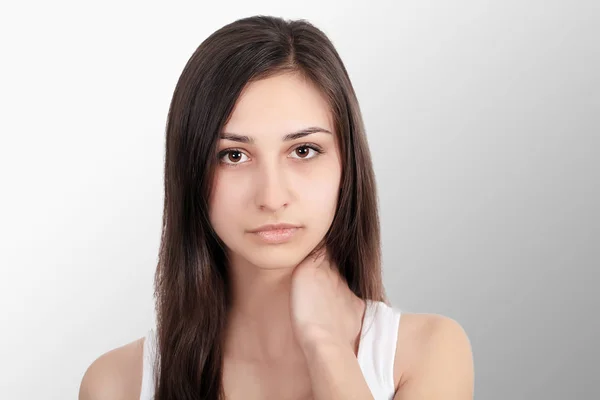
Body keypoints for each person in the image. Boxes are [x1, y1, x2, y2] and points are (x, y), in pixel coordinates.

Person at [79, 15, 474, 400]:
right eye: (233, 155)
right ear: (190, 171)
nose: (271, 197)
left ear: (346, 165)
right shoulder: (118, 384)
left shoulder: (427, 354)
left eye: (303, 150)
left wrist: (327, 346)